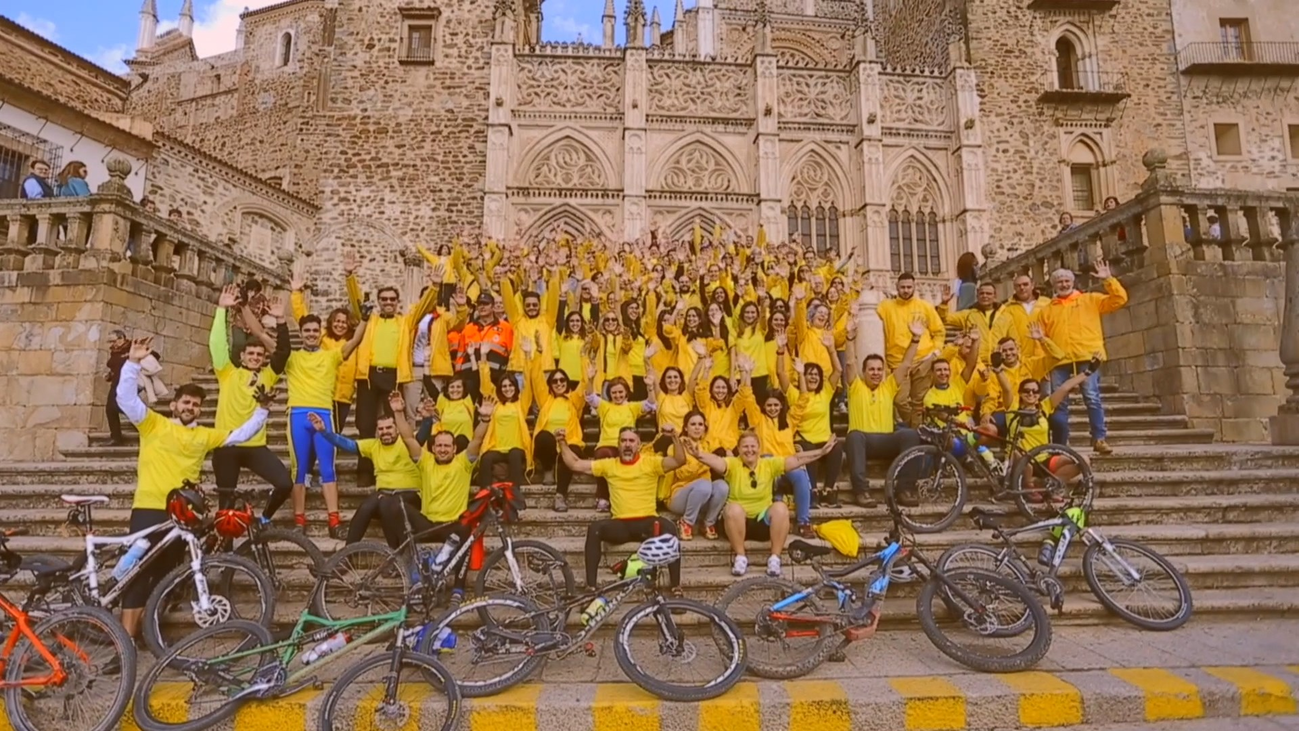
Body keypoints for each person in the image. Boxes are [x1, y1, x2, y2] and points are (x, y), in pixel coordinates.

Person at [115, 335, 272, 638]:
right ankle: (124, 642)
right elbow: (126, 399)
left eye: (196, 405)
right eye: (186, 402)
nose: (190, 407)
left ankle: (148, 631)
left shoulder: (204, 436)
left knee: (165, 575)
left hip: (182, 514)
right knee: (138, 574)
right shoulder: (153, 423)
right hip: (149, 507)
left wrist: (262, 410)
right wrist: (132, 363)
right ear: (174, 405)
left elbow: (241, 434)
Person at [346, 251, 441, 487]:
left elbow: (423, 307)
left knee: (394, 425)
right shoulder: (370, 320)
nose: (388, 302)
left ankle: (394, 468)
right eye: (384, 299)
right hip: (368, 376)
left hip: (393, 377)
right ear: (379, 302)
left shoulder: (405, 321)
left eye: (392, 299)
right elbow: (356, 303)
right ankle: (365, 473)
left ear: (397, 302)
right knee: (366, 426)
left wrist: (434, 287)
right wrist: (350, 276)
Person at [558, 425, 687, 593]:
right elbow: (575, 464)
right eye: (623, 441)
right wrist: (561, 442)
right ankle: (591, 587)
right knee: (595, 528)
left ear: (639, 445)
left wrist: (675, 438)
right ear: (618, 445)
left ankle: (676, 586)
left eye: (631, 441)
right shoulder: (609, 465)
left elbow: (679, 460)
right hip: (621, 524)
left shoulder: (651, 462)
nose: (627, 444)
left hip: (647, 523)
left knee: (669, 527)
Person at [389, 391, 490, 605]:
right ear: (433, 448)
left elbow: (478, 439)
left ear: (454, 449)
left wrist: (485, 419)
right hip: (427, 523)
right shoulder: (425, 461)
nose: (443, 449)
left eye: (447, 446)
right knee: (399, 508)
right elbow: (408, 438)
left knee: (465, 529)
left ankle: (458, 590)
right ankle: (411, 574)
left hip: (452, 525)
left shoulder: (463, 463)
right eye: (439, 446)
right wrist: (398, 413)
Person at [689, 433, 839, 577]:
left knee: (780, 508)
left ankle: (774, 559)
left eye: (753, 446)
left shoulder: (768, 464)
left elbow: (796, 459)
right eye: (745, 447)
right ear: (739, 450)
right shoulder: (732, 464)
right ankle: (740, 558)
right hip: (738, 523)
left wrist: (821, 451)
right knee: (732, 509)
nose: (749, 450)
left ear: (759, 448)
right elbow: (716, 461)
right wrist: (698, 455)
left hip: (762, 523)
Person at [282, 286, 368, 535]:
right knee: (299, 470)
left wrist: (364, 319)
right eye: (306, 331)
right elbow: (264, 339)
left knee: (328, 468)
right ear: (301, 333)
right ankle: (299, 522)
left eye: (314, 331)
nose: (310, 334)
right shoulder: (292, 358)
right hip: (297, 414)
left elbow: (355, 341)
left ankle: (334, 522)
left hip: (323, 414)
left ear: (320, 333)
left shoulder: (331, 356)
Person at [208, 285, 295, 525]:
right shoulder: (228, 373)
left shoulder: (268, 375)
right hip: (227, 445)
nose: (256, 357)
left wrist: (280, 320)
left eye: (259, 354)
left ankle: (264, 519)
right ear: (243, 356)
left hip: (255, 446)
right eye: (251, 354)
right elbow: (217, 346)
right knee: (225, 505)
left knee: (284, 483)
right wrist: (221, 311)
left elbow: (284, 352)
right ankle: (225, 554)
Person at [1037, 261, 1128, 455]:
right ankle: (1060, 445)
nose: (1063, 284)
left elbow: (1119, 300)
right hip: (1058, 360)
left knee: (1092, 397)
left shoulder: (1090, 299)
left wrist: (1108, 280)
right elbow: (1040, 339)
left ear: (1073, 282)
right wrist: (1042, 367)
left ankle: (1099, 438)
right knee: (1058, 402)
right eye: (1059, 281)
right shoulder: (1047, 310)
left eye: (1067, 280)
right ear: (1053, 285)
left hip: (1088, 356)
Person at [313, 404, 422, 549]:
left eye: (389, 428)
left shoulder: (407, 444)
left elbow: (419, 434)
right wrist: (325, 432)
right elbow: (348, 445)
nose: (385, 432)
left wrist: (413, 416)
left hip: (409, 496)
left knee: (385, 504)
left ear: (397, 429)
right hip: (384, 495)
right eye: (381, 429)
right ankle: (346, 554)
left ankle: (398, 556)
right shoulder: (373, 445)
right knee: (366, 506)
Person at [844, 315, 924, 507]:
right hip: (862, 442)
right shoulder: (855, 386)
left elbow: (905, 365)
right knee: (854, 436)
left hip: (886, 440)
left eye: (879, 369)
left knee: (911, 434)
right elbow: (849, 363)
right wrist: (849, 338)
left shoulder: (888, 387)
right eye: (871, 369)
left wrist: (915, 339)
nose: (876, 373)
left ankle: (904, 489)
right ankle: (862, 491)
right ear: (864, 372)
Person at [877, 272, 945, 425]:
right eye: (903, 287)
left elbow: (939, 331)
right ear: (896, 287)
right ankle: (913, 425)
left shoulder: (925, 306)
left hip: (924, 359)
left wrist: (936, 352)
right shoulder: (886, 306)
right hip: (898, 362)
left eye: (909, 287)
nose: (906, 290)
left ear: (915, 287)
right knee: (899, 400)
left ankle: (916, 434)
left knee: (918, 401)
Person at [660, 410, 729, 540]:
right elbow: (681, 473)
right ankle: (686, 522)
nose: (697, 427)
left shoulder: (708, 444)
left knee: (722, 486)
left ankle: (708, 522)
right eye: (693, 424)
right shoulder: (677, 445)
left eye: (700, 424)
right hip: (678, 495)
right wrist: (703, 461)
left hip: (703, 494)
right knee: (704, 485)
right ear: (686, 427)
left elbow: (722, 455)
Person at [531, 368, 587, 513]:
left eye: (562, 380)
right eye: (555, 381)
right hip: (550, 444)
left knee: (572, 450)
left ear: (567, 383)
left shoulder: (573, 400)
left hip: (569, 443)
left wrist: (587, 364)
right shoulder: (545, 400)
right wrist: (534, 354)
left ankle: (560, 495)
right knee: (543, 437)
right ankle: (548, 469)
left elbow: (584, 385)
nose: (559, 383)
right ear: (550, 384)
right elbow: (537, 379)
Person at [105, 330, 130, 446]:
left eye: (113, 341)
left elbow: (153, 355)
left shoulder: (132, 348)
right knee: (110, 409)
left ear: (121, 339)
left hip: (128, 383)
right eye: (109, 341)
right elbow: (115, 366)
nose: (111, 344)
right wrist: (110, 375)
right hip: (116, 383)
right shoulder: (114, 352)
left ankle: (146, 420)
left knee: (117, 407)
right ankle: (116, 437)